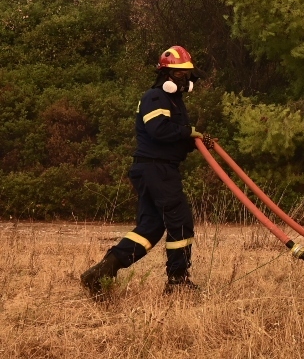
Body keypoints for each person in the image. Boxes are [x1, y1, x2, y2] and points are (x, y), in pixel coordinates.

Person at [80, 46, 213, 296]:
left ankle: (101, 273)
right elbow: (158, 131)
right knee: (180, 221)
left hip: (155, 169)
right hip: (156, 170)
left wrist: (195, 141)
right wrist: (188, 133)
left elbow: (171, 137)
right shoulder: (156, 97)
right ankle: (178, 282)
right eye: (180, 74)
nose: (185, 80)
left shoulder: (173, 100)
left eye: (186, 74)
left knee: (151, 227)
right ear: (167, 76)